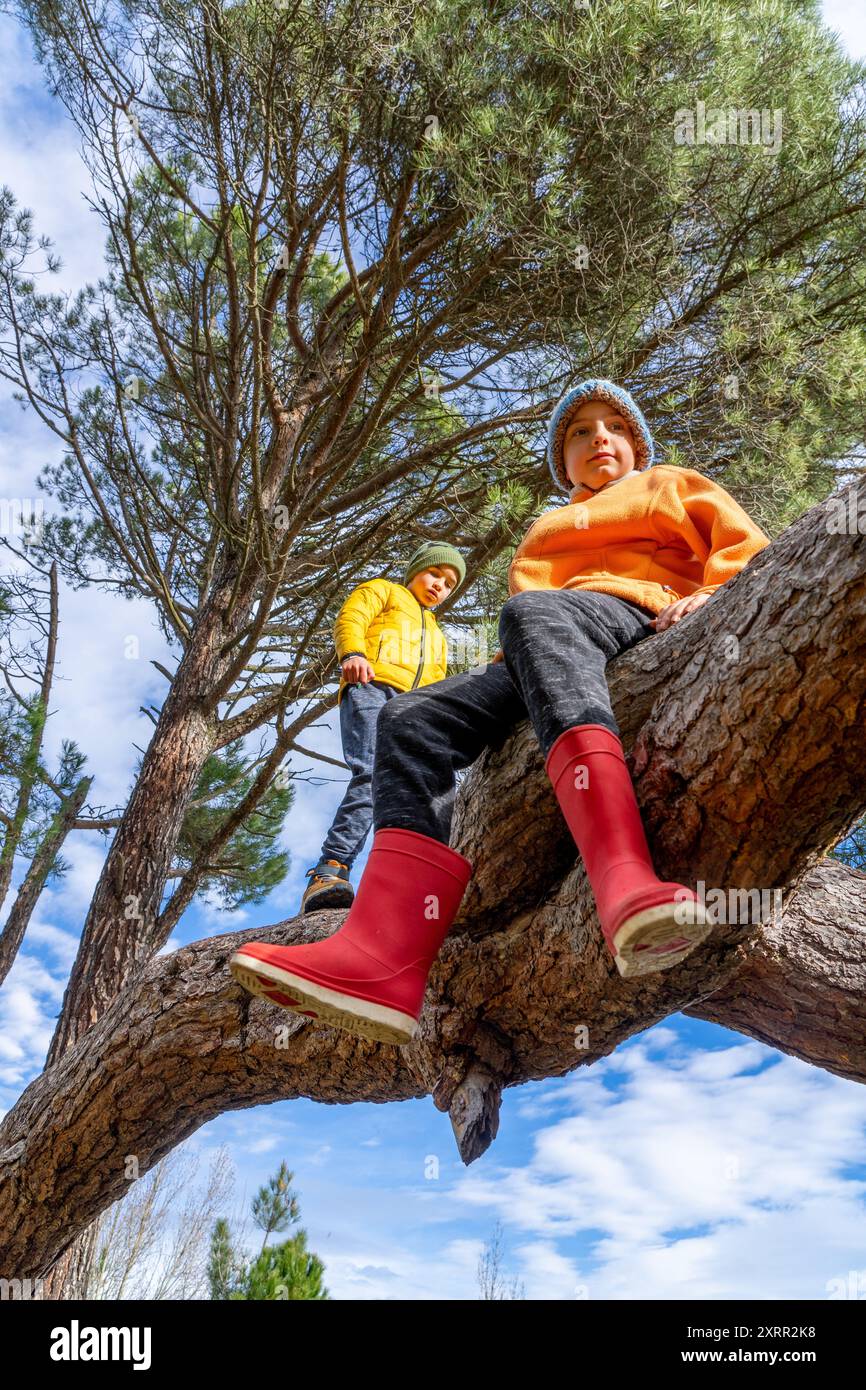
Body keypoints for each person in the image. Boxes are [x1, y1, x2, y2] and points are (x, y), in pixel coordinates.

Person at [231, 379, 771, 1045]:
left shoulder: (670, 484)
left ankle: (624, 878)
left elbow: (745, 548)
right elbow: (527, 620)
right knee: (408, 721)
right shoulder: (545, 530)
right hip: (544, 640)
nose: (599, 438)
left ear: (637, 444)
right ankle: (382, 959)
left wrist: (714, 593)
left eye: (614, 427)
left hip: (642, 613)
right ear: (563, 462)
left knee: (532, 611)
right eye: (580, 432)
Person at [299, 541, 466, 913]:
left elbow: (439, 680)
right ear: (415, 571)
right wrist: (353, 653)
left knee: (414, 790)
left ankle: (401, 884)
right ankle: (330, 870)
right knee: (372, 773)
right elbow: (351, 617)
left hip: (414, 707)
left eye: (449, 584)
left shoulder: (437, 634)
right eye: (434, 573)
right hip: (371, 684)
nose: (439, 585)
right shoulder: (385, 591)